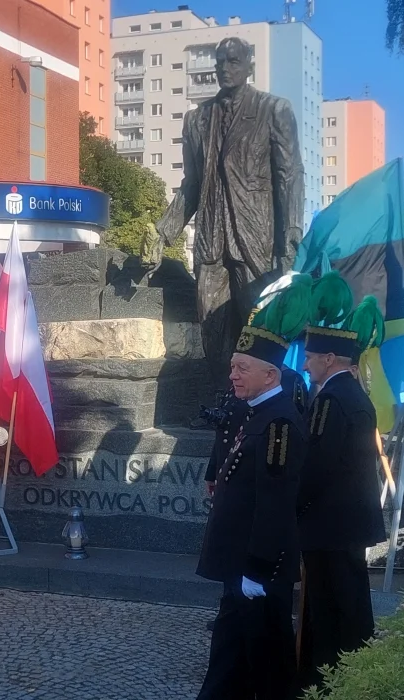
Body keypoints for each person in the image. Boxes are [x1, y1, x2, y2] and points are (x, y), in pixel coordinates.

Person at [149, 37, 305, 390]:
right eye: (220, 61)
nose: (225, 67)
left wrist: (292, 229)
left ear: (250, 64)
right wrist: (163, 232)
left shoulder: (272, 109)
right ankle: (222, 402)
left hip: (257, 240)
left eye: (233, 61)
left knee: (259, 327)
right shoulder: (196, 119)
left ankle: (265, 397)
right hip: (211, 242)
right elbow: (191, 183)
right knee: (212, 329)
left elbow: (290, 174)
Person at [196, 275, 311, 700]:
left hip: (256, 567)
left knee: (267, 661)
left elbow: (276, 503)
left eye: (242, 368)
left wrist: (258, 569)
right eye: (231, 367)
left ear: (270, 373)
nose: (233, 376)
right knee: (230, 654)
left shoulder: (278, 422)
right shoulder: (253, 412)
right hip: (238, 560)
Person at [296, 276, 387, 691]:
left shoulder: (331, 399)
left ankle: (331, 679)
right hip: (348, 519)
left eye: (312, 357)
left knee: (334, 606)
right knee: (349, 600)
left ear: (330, 358)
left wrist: (292, 504)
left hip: (330, 522)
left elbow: (318, 464)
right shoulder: (352, 394)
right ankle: (353, 673)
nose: (306, 364)